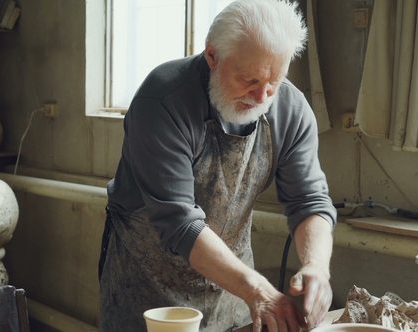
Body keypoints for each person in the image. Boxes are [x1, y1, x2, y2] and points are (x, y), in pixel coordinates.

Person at [99, 0, 337, 331]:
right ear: (212, 55)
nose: (261, 96)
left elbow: (310, 201)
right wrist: (258, 290)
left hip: (233, 289)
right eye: (248, 79)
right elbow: (179, 223)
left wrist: (317, 267)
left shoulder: (291, 110)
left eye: (274, 81)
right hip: (148, 290)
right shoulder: (164, 100)